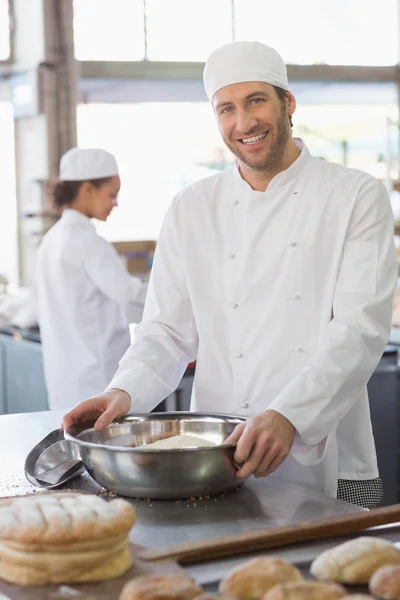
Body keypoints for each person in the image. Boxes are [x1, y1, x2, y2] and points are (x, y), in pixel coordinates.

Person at [63, 43, 397, 508]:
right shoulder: (191, 207)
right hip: (214, 454)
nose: (243, 123)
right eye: (227, 108)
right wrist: (124, 391)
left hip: (321, 445)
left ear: (288, 103)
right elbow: (167, 330)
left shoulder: (355, 195)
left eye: (256, 100)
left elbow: (360, 329)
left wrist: (289, 415)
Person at [36, 147, 148, 410]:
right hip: (97, 378)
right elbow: (130, 295)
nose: (115, 203)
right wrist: (179, 296)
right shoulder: (87, 242)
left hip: (67, 378)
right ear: (87, 190)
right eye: (112, 194)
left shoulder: (53, 238)